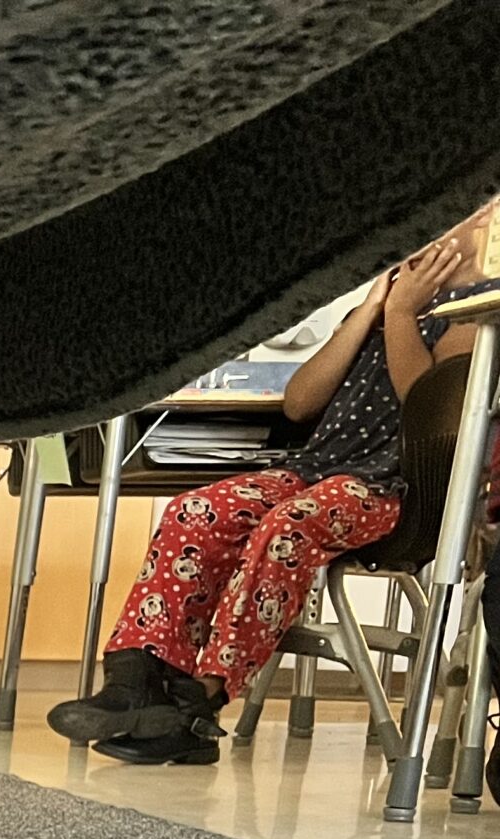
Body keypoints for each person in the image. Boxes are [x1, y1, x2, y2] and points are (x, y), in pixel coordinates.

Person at [47, 205, 492, 764]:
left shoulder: (480, 313)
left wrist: (402, 314)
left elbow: (424, 409)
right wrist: (370, 312)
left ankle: (199, 703)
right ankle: (136, 681)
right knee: (195, 512)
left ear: (482, 229)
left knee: (290, 525)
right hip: (319, 469)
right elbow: (300, 401)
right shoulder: (384, 307)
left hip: (395, 491)